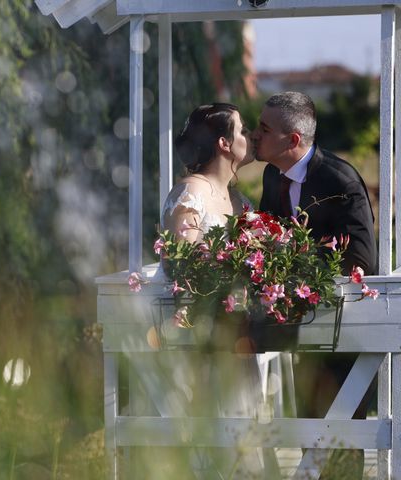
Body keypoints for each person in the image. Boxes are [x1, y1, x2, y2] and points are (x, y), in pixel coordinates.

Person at [253, 91, 377, 480]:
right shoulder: (272, 174)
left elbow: (361, 260)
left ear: (292, 140)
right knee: (309, 433)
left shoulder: (340, 181)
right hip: (297, 330)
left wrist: (294, 270)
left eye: (263, 128)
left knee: (341, 441)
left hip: (344, 327)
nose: (255, 134)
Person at [160, 103, 278, 479]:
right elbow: (186, 263)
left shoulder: (238, 200)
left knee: (244, 440)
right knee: (214, 442)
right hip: (203, 337)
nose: (250, 138)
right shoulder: (192, 191)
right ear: (225, 143)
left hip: (236, 333)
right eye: (243, 131)